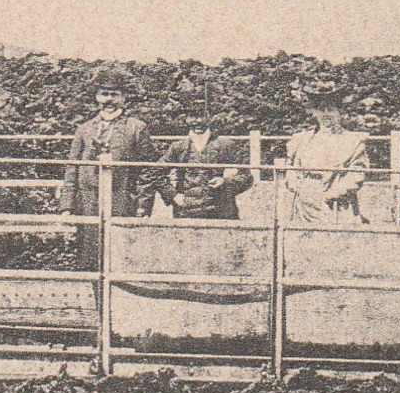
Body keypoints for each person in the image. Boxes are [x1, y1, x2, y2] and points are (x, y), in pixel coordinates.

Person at [58, 67, 158, 267]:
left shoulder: (136, 128)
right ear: (97, 97)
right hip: (88, 201)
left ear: (123, 98)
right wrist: (67, 207)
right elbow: (72, 169)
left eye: (114, 95)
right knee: (90, 256)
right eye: (104, 94)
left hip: (122, 198)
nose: (109, 100)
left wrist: (143, 206)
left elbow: (149, 170)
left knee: (121, 257)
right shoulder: (84, 129)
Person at [284, 82, 370, 224]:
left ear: (339, 112)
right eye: (321, 109)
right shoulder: (301, 139)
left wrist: (334, 194)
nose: (326, 114)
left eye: (330, 109)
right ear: (314, 112)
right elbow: (290, 168)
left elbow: (357, 174)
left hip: (335, 204)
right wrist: (295, 185)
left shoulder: (352, 141)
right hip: (304, 203)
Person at [155, 104, 254, 220]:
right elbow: (156, 172)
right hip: (186, 211)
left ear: (210, 117)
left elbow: (246, 176)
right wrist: (173, 195)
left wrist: (225, 182)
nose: (198, 121)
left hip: (219, 211)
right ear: (186, 119)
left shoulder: (225, 145)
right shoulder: (178, 147)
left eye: (202, 116)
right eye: (193, 116)